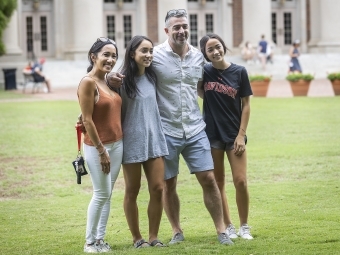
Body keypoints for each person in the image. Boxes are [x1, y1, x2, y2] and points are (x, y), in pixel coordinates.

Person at [107, 9, 233, 246]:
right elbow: (132, 72)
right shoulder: (155, 57)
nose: (181, 30)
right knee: (168, 183)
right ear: (166, 30)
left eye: (184, 26)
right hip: (165, 131)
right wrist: (109, 79)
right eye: (176, 27)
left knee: (208, 178)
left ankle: (221, 230)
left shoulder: (199, 57)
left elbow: (208, 84)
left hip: (195, 129)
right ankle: (176, 230)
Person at [199, 33, 254, 240]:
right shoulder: (205, 72)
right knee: (218, 183)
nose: (215, 51)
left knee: (240, 180)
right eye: (210, 49)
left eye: (217, 46)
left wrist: (241, 135)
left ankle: (244, 226)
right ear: (205, 54)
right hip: (212, 134)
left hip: (234, 134)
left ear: (224, 46)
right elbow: (197, 89)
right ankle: (228, 225)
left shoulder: (239, 71)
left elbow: (246, 105)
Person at [119, 35, 168, 248]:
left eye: (150, 51)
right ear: (132, 54)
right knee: (132, 190)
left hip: (154, 139)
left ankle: (154, 236)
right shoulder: (120, 81)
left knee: (158, 188)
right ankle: (137, 239)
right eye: (144, 51)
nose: (148, 55)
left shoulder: (153, 77)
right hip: (131, 141)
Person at [77, 37, 123, 253]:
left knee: (108, 193)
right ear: (93, 56)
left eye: (114, 55)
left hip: (117, 144)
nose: (111, 59)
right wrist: (101, 151)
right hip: (99, 147)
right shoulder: (88, 82)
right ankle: (89, 242)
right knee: (101, 193)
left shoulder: (106, 80)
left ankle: (100, 239)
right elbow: (87, 120)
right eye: (106, 54)